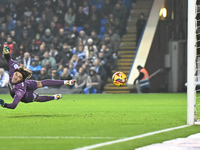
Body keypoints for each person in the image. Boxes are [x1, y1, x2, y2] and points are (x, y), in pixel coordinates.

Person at [0, 46, 76, 109]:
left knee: (41, 83)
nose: (15, 77)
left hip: (25, 92)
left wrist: (4, 104)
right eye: (16, 74)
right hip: (24, 95)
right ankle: (54, 97)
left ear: (22, 79)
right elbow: (8, 59)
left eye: (19, 77)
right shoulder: (14, 69)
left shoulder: (19, 89)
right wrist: (6, 53)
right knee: (37, 98)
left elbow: (13, 106)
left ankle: (67, 82)